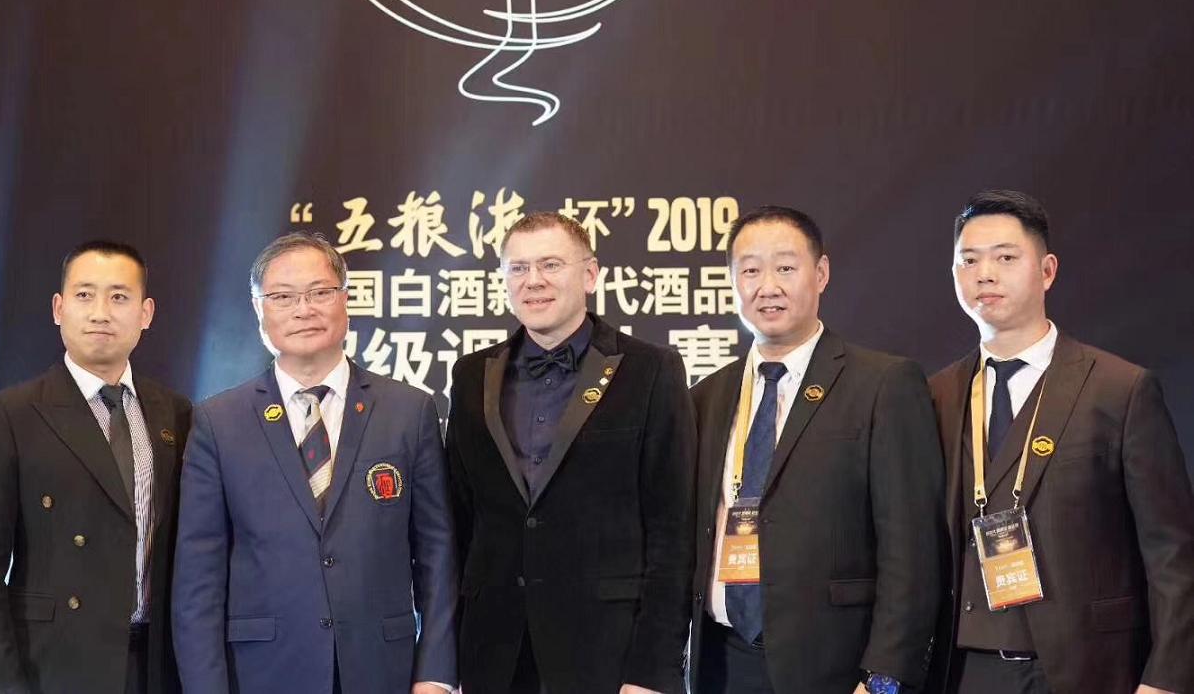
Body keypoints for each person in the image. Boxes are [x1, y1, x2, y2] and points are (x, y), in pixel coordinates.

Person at [928, 190, 1194, 694]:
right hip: (963, 671)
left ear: (1047, 271)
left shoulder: (1119, 388)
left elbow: (1172, 553)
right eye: (969, 260)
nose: (985, 274)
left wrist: (1166, 679)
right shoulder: (935, 395)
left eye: (1006, 258)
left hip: (1086, 668)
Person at [171, 232, 456, 694]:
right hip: (262, 674)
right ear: (259, 310)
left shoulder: (409, 410)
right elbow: (198, 577)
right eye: (283, 297)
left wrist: (436, 675)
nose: (303, 309)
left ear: (346, 299)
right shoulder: (218, 422)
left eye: (320, 292)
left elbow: (437, 554)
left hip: (383, 671)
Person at [689, 205, 942, 694]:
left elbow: (912, 549)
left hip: (836, 668)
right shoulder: (705, 397)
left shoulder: (882, 384)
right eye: (750, 271)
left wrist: (884, 679)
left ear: (821, 273)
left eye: (785, 268)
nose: (768, 287)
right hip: (721, 664)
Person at [447, 211, 694, 694]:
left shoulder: (651, 370)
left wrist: (652, 671)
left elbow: (673, 528)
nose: (533, 281)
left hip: (608, 654)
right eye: (518, 268)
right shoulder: (471, 375)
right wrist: (445, 658)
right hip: (493, 654)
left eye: (551, 264)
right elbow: (458, 522)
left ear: (590, 274)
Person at [0, 240, 191, 693]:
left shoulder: (175, 413)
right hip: (52, 663)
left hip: (156, 665)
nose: (101, 313)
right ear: (58, 308)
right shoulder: (12, 414)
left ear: (145, 313)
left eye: (119, 297)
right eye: (85, 295)